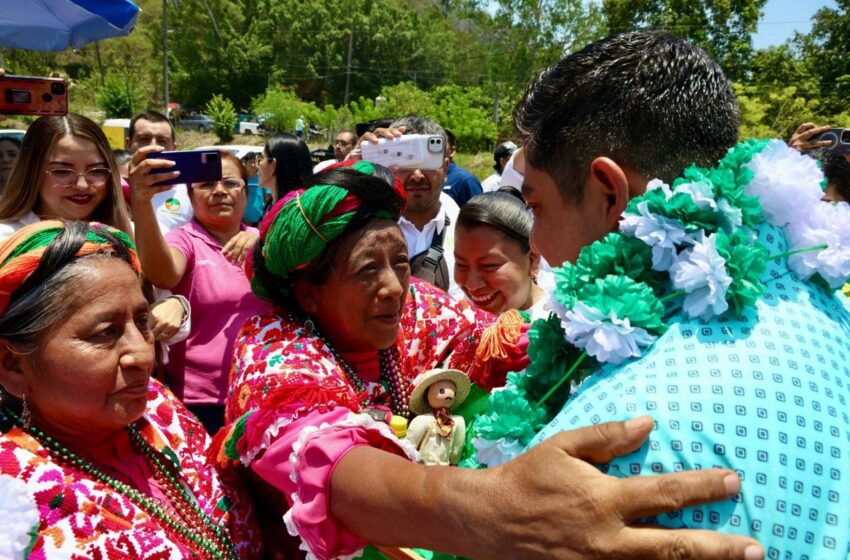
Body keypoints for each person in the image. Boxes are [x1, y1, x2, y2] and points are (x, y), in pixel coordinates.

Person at [210, 162, 759, 560]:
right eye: (364, 270)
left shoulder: (416, 307)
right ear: (307, 294)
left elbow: (506, 344)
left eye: (400, 262)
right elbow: (328, 465)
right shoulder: (273, 348)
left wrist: (630, 306)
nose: (393, 289)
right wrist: (498, 512)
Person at [509, 29, 850, 558]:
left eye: (536, 205)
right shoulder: (816, 295)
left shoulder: (594, 453)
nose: (532, 241)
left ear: (609, 193)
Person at [0, 220, 263, 558]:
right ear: (13, 365)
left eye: (142, 322)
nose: (143, 354)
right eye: (104, 332)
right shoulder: (15, 503)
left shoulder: (157, 405)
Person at [129, 148, 271, 434]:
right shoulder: (185, 239)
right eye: (206, 185)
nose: (219, 191)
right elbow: (162, 274)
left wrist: (261, 247)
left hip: (262, 390)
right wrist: (142, 202)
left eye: (231, 183)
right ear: (191, 197)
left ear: (246, 193)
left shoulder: (264, 239)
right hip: (203, 401)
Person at [366, 116, 463, 298]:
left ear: (446, 168)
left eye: (428, 163)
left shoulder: (467, 229)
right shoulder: (362, 225)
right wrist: (347, 171)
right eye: (406, 163)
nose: (417, 175)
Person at [0, 113, 132, 242]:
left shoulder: (131, 235)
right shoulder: (6, 239)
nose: (82, 185)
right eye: (62, 171)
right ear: (31, 173)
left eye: (96, 171)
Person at [454, 191, 547, 318]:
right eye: (461, 265)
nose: (472, 285)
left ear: (532, 260)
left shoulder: (566, 328)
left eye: (488, 266)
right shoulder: (454, 319)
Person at [127, 110, 193, 233]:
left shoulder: (191, 190)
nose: (154, 147)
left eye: (162, 141)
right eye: (144, 139)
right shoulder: (112, 187)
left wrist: (241, 233)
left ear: (173, 148)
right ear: (128, 144)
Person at [258, 132, 312, 201]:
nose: (258, 164)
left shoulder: (293, 209)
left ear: (273, 166)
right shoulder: (300, 204)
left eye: (262, 157)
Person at [442, 129, 483, 207]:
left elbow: (478, 215)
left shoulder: (466, 180)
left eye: (439, 144)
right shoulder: (422, 177)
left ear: (452, 151)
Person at [241, 151, 271, 226]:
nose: (253, 165)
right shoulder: (241, 179)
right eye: (250, 162)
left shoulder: (263, 179)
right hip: (242, 221)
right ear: (245, 163)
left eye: (255, 162)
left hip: (259, 221)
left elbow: (267, 198)